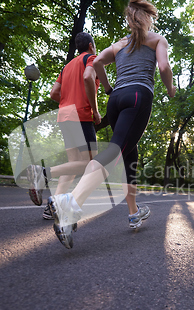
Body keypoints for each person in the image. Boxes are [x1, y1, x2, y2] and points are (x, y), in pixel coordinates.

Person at [47, 0, 176, 249]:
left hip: (116, 100)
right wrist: (170, 88)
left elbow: (96, 64)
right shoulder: (157, 39)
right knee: (116, 149)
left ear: (129, 20)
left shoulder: (118, 45)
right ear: (148, 18)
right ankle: (70, 204)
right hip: (138, 96)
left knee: (129, 151)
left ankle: (133, 211)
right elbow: (163, 66)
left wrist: (107, 88)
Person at [27, 32, 111, 220]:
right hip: (81, 114)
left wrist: (67, 101)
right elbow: (88, 78)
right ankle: (42, 173)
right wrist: (95, 111)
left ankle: (53, 207)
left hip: (65, 115)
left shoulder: (67, 67)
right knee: (90, 164)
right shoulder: (92, 59)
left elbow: (54, 93)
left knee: (74, 165)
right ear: (91, 46)